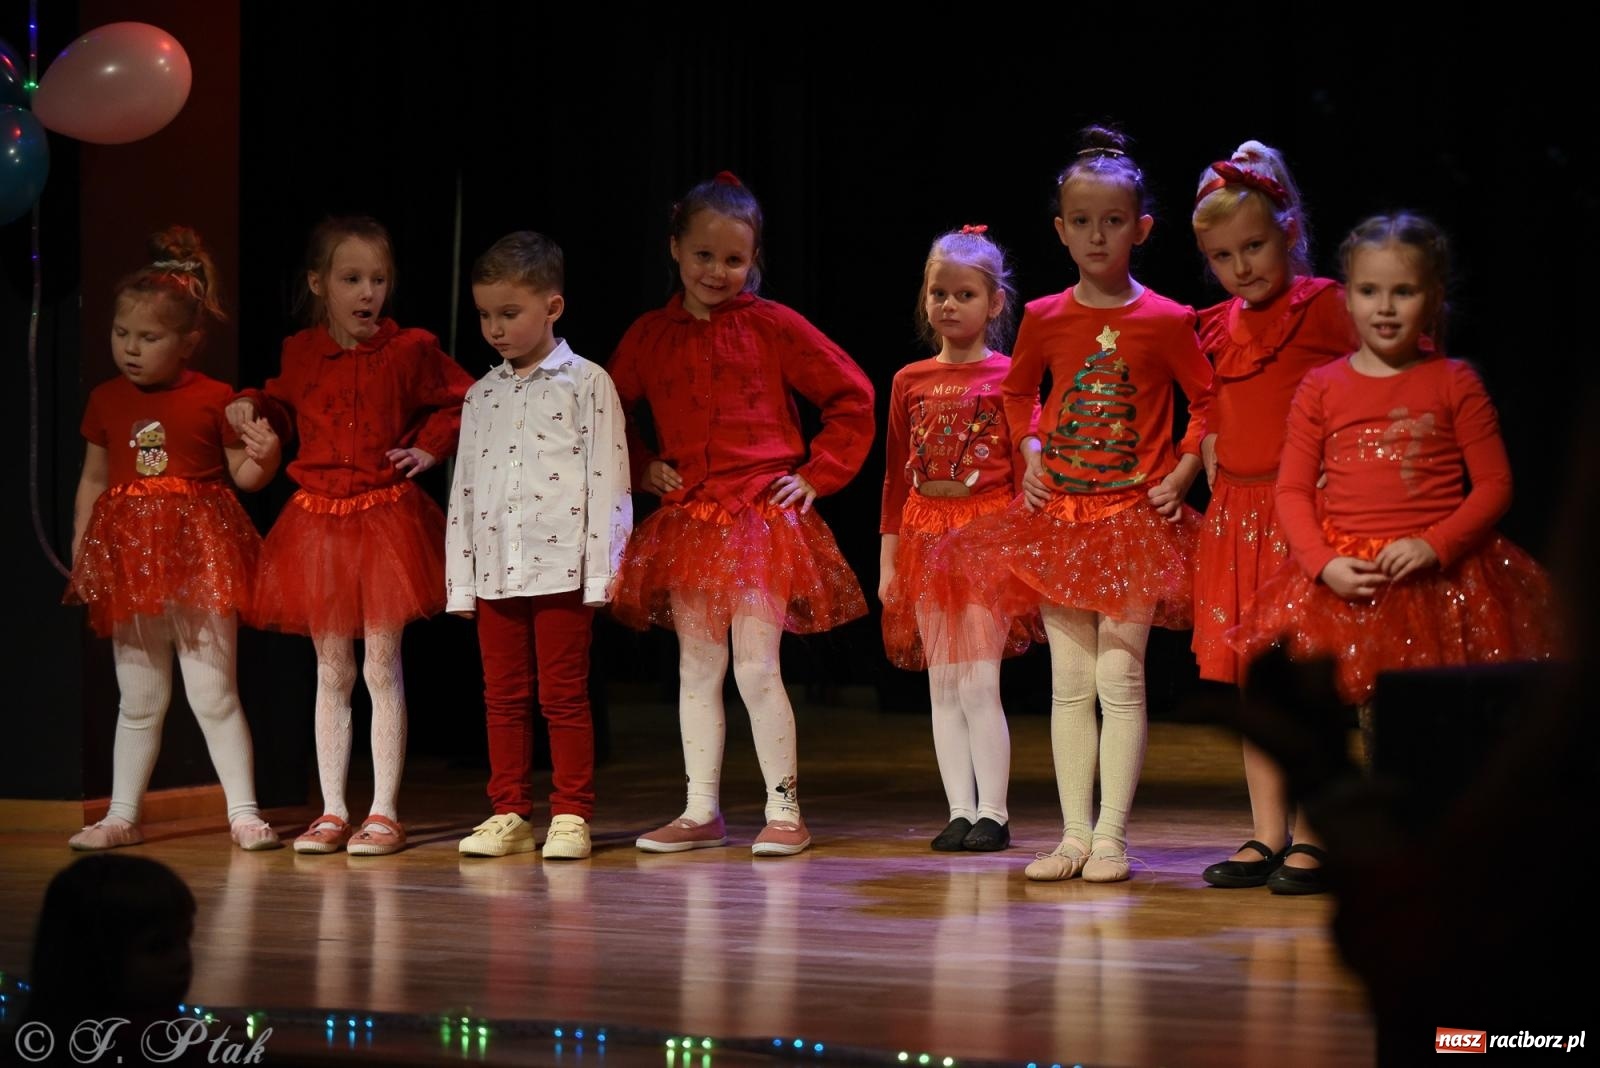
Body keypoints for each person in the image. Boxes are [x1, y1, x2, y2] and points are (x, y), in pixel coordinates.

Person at [950, 126, 1213, 883]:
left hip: (1134, 518)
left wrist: (1187, 470)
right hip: (1062, 518)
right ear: (1061, 230)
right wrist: (1030, 454)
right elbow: (1015, 392)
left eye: (1115, 220)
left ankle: (1112, 838)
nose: (1099, 235)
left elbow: (1207, 400)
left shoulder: (1167, 320)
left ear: (1142, 228)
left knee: (1119, 677)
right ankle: (1070, 835)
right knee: (1069, 681)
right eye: (1083, 221)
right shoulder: (1043, 316)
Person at [607, 172, 875, 857]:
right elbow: (607, 410)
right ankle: (701, 810)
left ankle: (784, 809)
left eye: (734, 260)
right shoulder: (648, 335)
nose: (718, 272)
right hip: (692, 520)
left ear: (754, 260)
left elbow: (850, 394)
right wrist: (640, 464)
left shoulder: (774, 325)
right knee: (698, 667)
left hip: (760, 515)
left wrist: (818, 474)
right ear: (675, 247)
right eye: (704, 256)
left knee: (757, 667)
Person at [1234, 213, 1558, 719]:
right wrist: (1323, 563)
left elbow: (1494, 485)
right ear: (1348, 297)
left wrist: (1433, 544)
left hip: (1440, 584)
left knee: (1441, 724)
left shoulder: (1454, 382)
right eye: (1368, 291)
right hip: (1353, 580)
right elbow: (1293, 489)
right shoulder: (1321, 387)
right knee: (1373, 723)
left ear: (1432, 298)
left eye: (1403, 292)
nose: (1384, 308)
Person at [228, 215, 475, 857]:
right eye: (352, 279)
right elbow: (281, 400)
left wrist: (428, 449)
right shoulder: (301, 350)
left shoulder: (410, 348)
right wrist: (251, 406)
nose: (368, 292)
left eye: (378, 279)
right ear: (319, 283)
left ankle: (385, 810)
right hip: (317, 524)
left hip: (384, 517)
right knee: (332, 668)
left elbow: (465, 398)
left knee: (380, 664)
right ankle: (334, 808)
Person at [66, 226, 282, 853]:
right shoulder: (105, 399)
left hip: (200, 562)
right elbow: (93, 479)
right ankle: (121, 813)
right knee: (138, 698)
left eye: (149, 337)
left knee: (213, 692)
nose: (131, 348)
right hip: (131, 565)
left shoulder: (216, 399)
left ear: (188, 342)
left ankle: (243, 811)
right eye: (121, 334)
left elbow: (243, 474)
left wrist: (263, 458)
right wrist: (85, 553)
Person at [1187, 142, 1358, 895]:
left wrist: (1350, 459)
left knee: (1314, 681)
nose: (1242, 267)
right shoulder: (1216, 326)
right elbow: (1208, 406)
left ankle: (1318, 835)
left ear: (1288, 228)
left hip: (1306, 518)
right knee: (1255, 685)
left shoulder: (1325, 305)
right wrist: (1195, 455)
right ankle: (1266, 833)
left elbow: (1390, 370)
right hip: (1235, 519)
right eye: (1224, 257)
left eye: (1254, 246)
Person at [446, 231, 632, 861]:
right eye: (485, 316)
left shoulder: (587, 384)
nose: (494, 329)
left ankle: (572, 812)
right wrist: (460, 581)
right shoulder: (481, 395)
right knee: (501, 696)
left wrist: (605, 571)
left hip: (561, 570)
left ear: (552, 308)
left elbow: (610, 481)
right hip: (497, 569)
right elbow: (464, 491)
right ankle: (508, 810)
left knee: (562, 694)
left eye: (509, 314)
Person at [879, 224, 1031, 852]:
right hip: (922, 537)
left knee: (978, 681)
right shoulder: (908, 379)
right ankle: (959, 808)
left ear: (994, 303)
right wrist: (888, 562)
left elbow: (1025, 477)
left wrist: (1019, 553)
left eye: (964, 294)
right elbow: (893, 480)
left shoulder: (1009, 376)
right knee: (943, 682)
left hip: (986, 535)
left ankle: (993, 811)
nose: (948, 305)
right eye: (938, 293)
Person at [22, 854, 198, 1059]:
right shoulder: (133, 1044)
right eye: (158, 947)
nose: (183, 958)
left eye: (185, 939)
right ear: (91, 958)